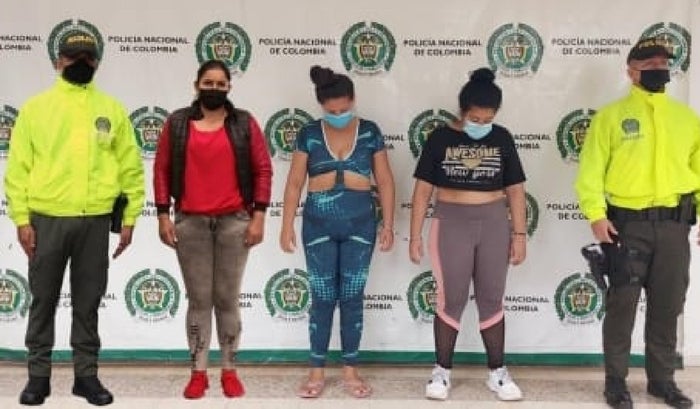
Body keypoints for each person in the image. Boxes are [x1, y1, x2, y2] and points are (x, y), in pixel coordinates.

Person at [3, 31, 145, 406]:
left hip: (95, 221)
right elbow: (17, 169)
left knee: (88, 302)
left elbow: (130, 167)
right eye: (72, 57)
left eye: (87, 57)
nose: (80, 62)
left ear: (96, 62)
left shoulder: (111, 109)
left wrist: (130, 215)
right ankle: (38, 378)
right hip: (46, 220)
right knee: (43, 300)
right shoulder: (36, 109)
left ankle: (86, 377)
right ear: (58, 61)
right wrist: (22, 219)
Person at [575, 37, 697, 409]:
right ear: (631, 71)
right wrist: (596, 214)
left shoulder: (686, 118)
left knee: (667, 305)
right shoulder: (610, 117)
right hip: (627, 228)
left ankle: (662, 382)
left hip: (674, 227)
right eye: (649, 64)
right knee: (622, 305)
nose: (659, 69)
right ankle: (616, 382)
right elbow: (590, 171)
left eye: (663, 63)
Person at [153, 59, 272, 400]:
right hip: (190, 223)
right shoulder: (177, 123)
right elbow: (161, 170)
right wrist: (162, 215)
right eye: (209, 83)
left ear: (229, 88)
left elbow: (263, 170)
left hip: (235, 223)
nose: (214, 89)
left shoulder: (244, 123)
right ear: (197, 85)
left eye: (221, 84)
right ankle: (198, 373)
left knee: (227, 299)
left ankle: (230, 371)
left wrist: (259, 216)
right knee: (199, 300)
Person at [409, 67, 526, 402]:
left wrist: (520, 234)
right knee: (451, 298)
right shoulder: (440, 138)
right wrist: (415, 236)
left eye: (488, 119)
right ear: (462, 111)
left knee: (492, 297)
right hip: (451, 223)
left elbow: (516, 190)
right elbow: (422, 191)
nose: (481, 124)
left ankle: (497, 373)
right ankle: (441, 372)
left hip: (494, 224)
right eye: (475, 118)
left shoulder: (501, 137)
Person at [280, 65, 395, 398]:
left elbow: (385, 180)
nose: (338, 115)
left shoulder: (370, 131)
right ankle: (316, 371)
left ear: (353, 100)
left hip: (361, 223)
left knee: (352, 297)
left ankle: (350, 370)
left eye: (344, 109)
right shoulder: (308, 133)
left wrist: (388, 224)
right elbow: (295, 182)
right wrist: (286, 224)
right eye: (331, 112)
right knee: (322, 298)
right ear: (321, 107)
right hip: (318, 224)